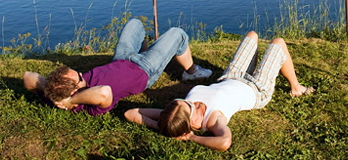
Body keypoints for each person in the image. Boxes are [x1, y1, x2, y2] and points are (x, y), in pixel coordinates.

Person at [124, 31, 314, 151]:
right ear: (191, 121)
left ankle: (256, 65)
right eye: (189, 105)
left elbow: (131, 113)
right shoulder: (213, 120)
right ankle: (296, 88)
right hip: (257, 89)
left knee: (252, 35)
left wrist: (164, 127)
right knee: (278, 42)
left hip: (231, 76)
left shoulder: (175, 115)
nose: (190, 101)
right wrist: (191, 137)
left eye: (183, 100)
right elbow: (224, 142)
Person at [23, 18, 212, 116]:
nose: (83, 74)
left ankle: (149, 50)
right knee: (177, 34)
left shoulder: (57, 93)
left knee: (135, 24)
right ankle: (192, 72)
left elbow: (27, 76)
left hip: (122, 59)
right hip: (144, 70)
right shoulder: (87, 104)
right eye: (79, 77)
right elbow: (104, 92)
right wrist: (71, 103)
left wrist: (46, 89)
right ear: (74, 92)